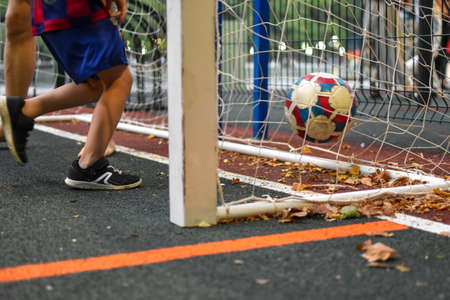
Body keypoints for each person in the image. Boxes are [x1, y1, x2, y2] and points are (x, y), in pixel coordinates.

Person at [0, 0, 142, 190]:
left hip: (49, 9)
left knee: (95, 84)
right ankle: (89, 166)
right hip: (74, 5)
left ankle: (23, 110)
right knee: (118, 79)